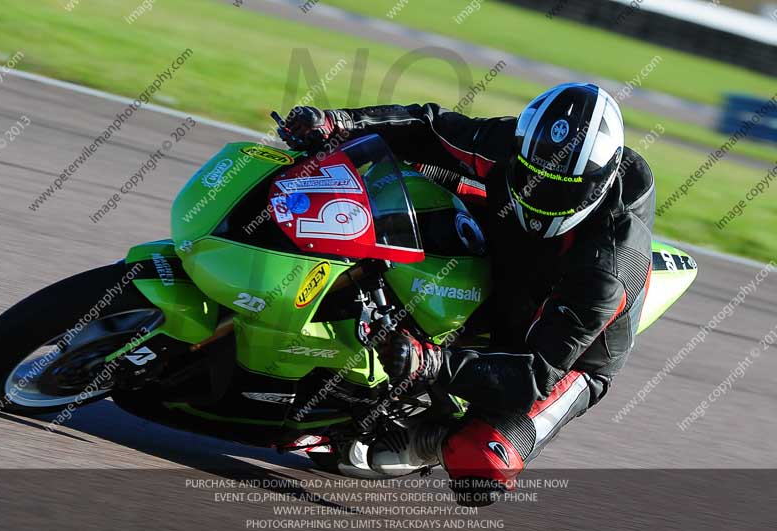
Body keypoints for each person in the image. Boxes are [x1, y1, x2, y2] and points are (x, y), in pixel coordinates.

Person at [280, 83, 655, 506]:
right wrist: (337, 122)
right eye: (535, 177)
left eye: (561, 189)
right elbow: (429, 126)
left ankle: (427, 440)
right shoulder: (514, 144)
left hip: (568, 348)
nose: (542, 196)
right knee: (397, 178)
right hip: (509, 243)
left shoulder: (608, 269)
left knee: (482, 465)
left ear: (599, 184)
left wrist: (432, 364)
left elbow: (535, 373)